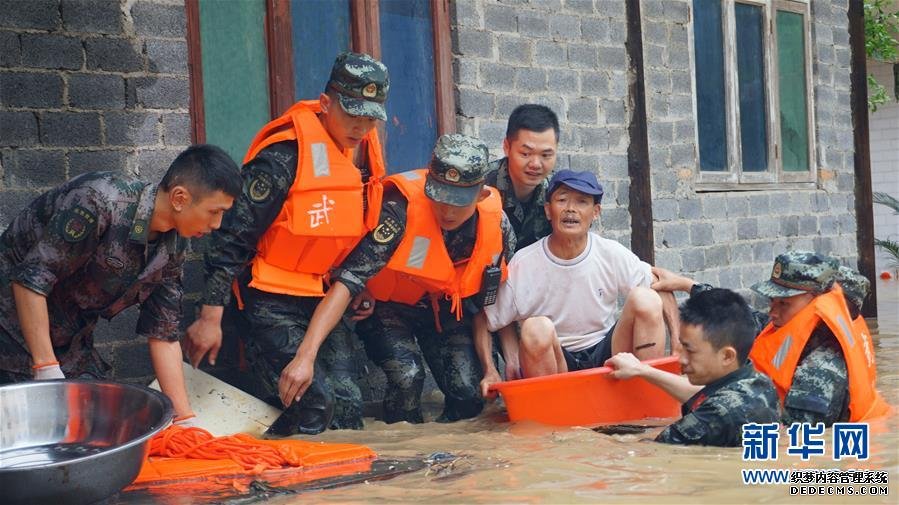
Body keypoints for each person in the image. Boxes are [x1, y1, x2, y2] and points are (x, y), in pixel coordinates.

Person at [182, 52, 390, 435]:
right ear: (326, 104)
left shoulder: (364, 157)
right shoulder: (282, 158)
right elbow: (231, 236)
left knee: (348, 408)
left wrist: (366, 287)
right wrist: (210, 317)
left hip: (322, 296)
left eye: (370, 118)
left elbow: (353, 232)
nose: (361, 127)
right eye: (351, 115)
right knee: (315, 403)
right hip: (268, 298)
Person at [0, 144, 240, 423]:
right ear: (179, 198)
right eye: (214, 211)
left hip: (68, 339)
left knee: (101, 423)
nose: (218, 224)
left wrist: (183, 417)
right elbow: (30, 281)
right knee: (38, 433)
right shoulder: (99, 201)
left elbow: (163, 333)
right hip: (10, 328)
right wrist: (46, 369)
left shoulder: (174, 244)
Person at [290, 133, 515, 424]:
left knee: (469, 393)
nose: (446, 210)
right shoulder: (400, 212)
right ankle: (405, 452)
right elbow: (347, 283)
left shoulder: (498, 225)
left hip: (445, 310)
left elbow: (494, 302)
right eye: (439, 197)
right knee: (408, 378)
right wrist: (305, 356)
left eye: (457, 202)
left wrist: (494, 367)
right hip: (388, 307)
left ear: (481, 195)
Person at [479, 169, 668, 397]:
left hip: (608, 352)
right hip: (558, 360)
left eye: (582, 202)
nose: (571, 209)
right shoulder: (524, 263)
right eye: (562, 200)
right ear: (548, 211)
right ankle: (551, 419)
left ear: (595, 212)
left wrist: (677, 343)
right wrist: (494, 368)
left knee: (646, 298)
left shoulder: (611, 253)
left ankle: (647, 398)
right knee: (535, 327)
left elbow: (660, 284)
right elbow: (488, 318)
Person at [652, 251, 890, 425]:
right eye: (771, 301)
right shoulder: (788, 323)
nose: (772, 311)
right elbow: (743, 318)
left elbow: (794, 441)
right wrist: (687, 285)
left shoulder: (822, 366)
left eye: (784, 303)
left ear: (816, 300)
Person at [605, 288, 780, 446]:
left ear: (727, 356)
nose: (680, 359)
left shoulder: (717, 414)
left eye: (690, 350)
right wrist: (642, 370)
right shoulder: (760, 383)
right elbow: (703, 395)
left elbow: (651, 450)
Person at [485, 104, 559, 252]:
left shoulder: (556, 195)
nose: (536, 164)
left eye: (545, 155)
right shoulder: (481, 187)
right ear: (507, 147)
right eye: (525, 154)